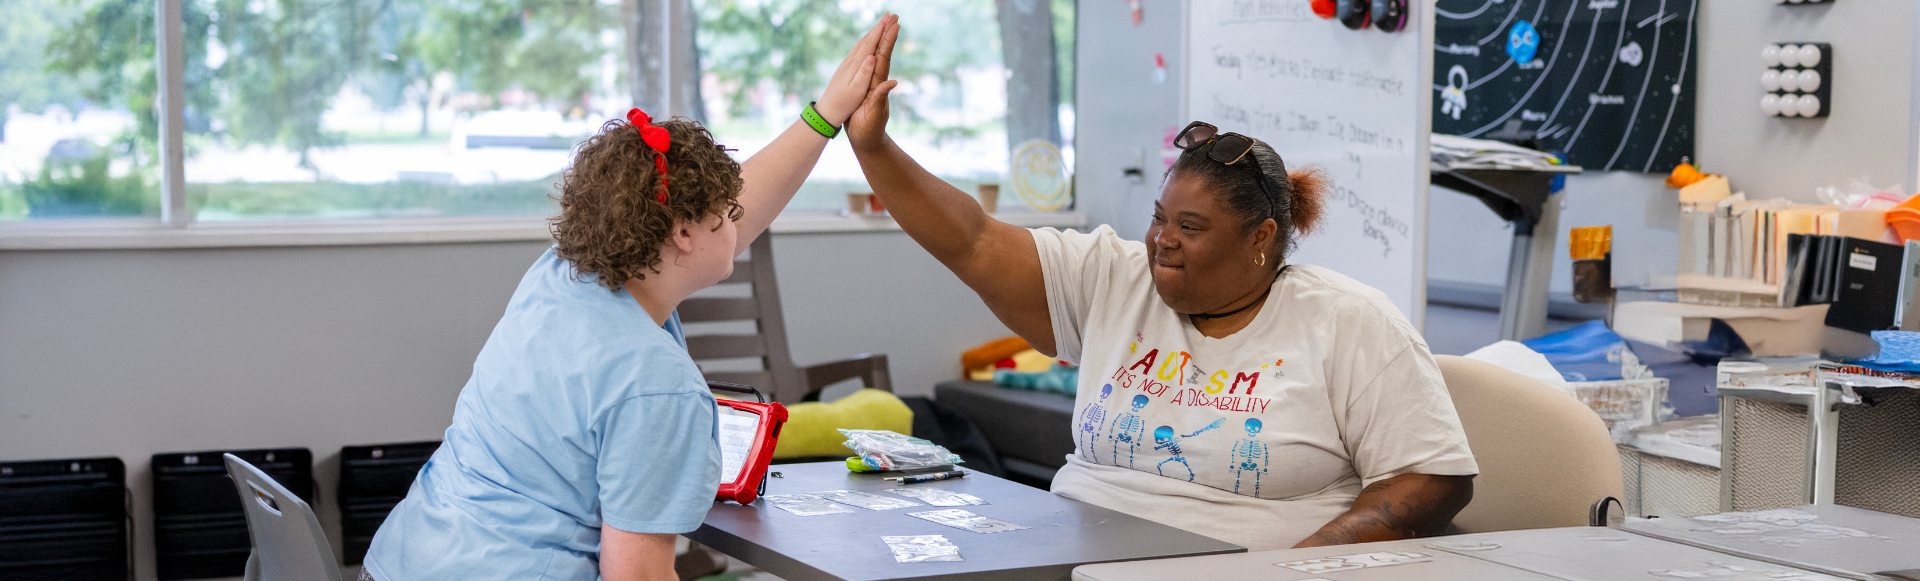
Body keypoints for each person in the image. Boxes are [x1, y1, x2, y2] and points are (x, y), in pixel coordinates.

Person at [840, 24, 1478, 550]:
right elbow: (972, 238)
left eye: (1190, 227)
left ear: (1260, 237)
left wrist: (1293, 568)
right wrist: (873, 146)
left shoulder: (1349, 320)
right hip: (1073, 557)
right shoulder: (1114, 276)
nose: (1161, 241)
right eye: (1159, 218)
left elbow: (1432, 480)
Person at [362, 15, 899, 581]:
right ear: (684, 234)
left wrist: (823, 117)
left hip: (402, 561)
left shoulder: (560, 278)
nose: (738, 222)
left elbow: (733, 200)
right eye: (725, 213)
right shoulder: (657, 385)